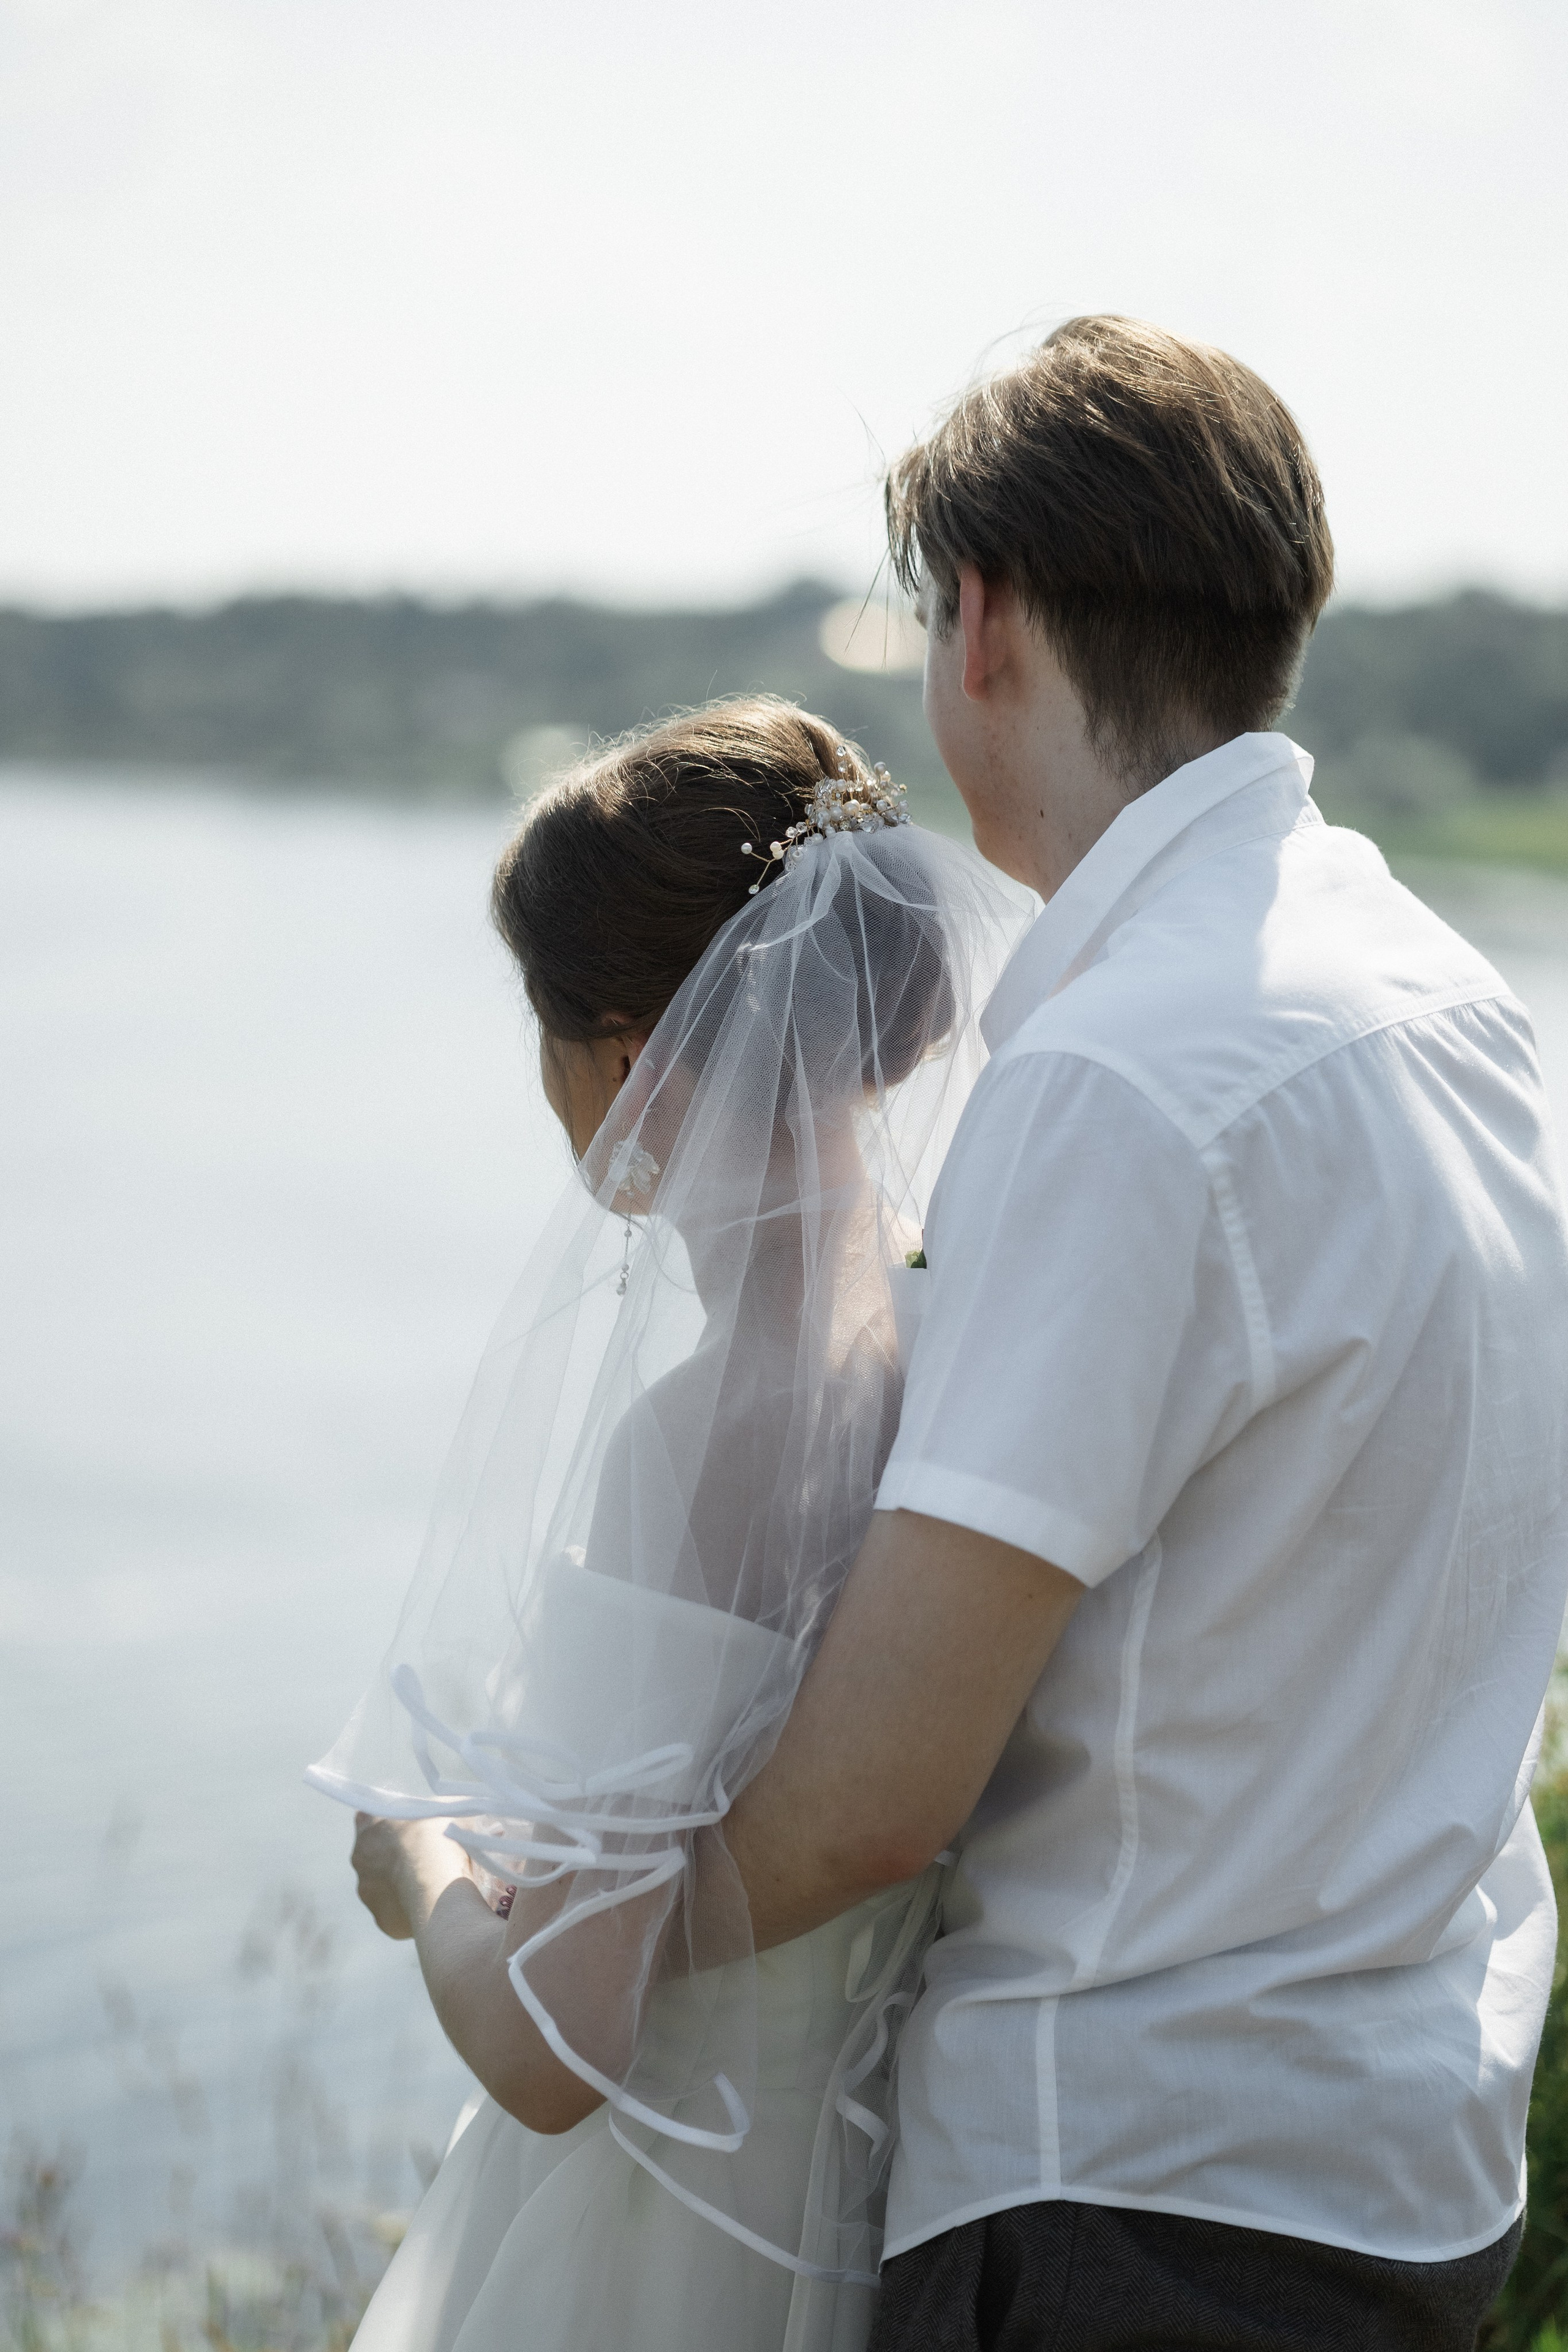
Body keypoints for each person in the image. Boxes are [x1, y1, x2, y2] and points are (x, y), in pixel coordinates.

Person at [718, 315, 1568, 2349]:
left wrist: (558, 1933)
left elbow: (878, 1796)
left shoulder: (1124, 1073)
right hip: (1402, 2172)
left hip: (1131, 2206)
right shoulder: (1467, 1010)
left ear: (985, 620)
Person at [311, 698, 1028, 2350]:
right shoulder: (957, 1357)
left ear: (628, 1053)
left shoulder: (697, 1438)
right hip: (861, 2205)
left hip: (661, 2235)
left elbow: (560, 2048)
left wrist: (419, 1864)